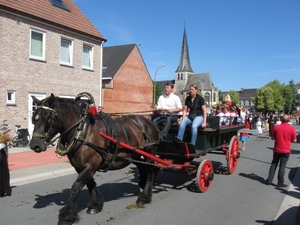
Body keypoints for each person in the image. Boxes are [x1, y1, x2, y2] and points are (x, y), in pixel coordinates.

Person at [266, 114, 297, 187]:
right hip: (286, 150)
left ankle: (269, 180)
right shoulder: (292, 129)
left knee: (274, 164)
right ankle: (280, 182)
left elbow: (272, 138)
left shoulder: (276, 128)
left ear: (281, 120)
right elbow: (294, 140)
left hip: (277, 149)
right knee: (282, 166)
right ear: (289, 120)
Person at [0, 125, 12, 197]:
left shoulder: (3, 136)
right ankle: (4, 190)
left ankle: (5, 189)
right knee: (3, 172)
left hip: (2, 154)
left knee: (4, 171)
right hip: (2, 154)